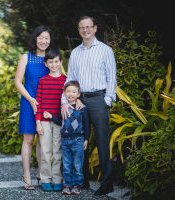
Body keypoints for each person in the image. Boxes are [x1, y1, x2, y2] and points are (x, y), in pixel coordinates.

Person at [61, 16, 117, 195]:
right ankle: (82, 181)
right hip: (79, 101)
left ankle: (107, 184)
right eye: (81, 28)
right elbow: (70, 78)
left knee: (102, 142)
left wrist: (107, 100)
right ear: (79, 31)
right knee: (79, 139)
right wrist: (67, 101)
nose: (85, 30)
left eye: (88, 27)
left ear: (95, 28)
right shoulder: (76, 52)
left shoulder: (105, 50)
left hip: (99, 100)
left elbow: (112, 77)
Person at [14, 25, 54, 190]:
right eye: (41, 37)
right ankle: (27, 175)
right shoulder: (26, 57)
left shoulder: (52, 58)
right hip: (29, 102)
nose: (44, 41)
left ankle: (41, 173)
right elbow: (17, 82)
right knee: (28, 139)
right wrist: (30, 99)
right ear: (35, 39)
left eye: (47, 38)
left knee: (42, 139)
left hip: (46, 103)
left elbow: (61, 78)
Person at [44, 81, 90, 195]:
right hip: (65, 140)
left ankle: (77, 185)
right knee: (67, 164)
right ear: (64, 93)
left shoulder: (82, 108)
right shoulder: (63, 108)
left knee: (77, 164)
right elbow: (60, 121)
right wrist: (51, 117)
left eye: (74, 92)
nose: (71, 94)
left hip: (78, 140)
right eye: (68, 91)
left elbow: (87, 124)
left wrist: (86, 139)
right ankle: (67, 185)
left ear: (78, 94)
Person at [35, 49, 66, 191]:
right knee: (45, 151)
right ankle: (45, 179)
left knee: (57, 151)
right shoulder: (42, 81)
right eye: (50, 62)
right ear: (46, 64)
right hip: (44, 122)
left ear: (60, 62)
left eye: (56, 61)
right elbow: (38, 103)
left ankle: (58, 179)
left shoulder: (65, 81)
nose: (53, 64)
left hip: (59, 121)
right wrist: (38, 122)